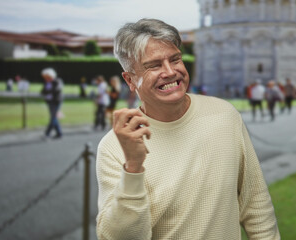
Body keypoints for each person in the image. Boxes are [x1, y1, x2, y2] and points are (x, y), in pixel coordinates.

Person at [96, 18, 280, 240]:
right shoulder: (113, 147)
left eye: (175, 60)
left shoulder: (224, 115)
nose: (170, 71)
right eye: (154, 65)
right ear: (130, 79)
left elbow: (255, 201)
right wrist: (133, 168)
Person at [40, 68, 63, 139]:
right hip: (50, 102)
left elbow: (57, 90)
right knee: (54, 117)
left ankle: (47, 133)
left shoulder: (57, 81)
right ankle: (59, 133)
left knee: (53, 118)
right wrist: (47, 92)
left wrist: (48, 91)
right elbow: (42, 91)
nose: (46, 79)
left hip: (56, 102)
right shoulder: (46, 83)